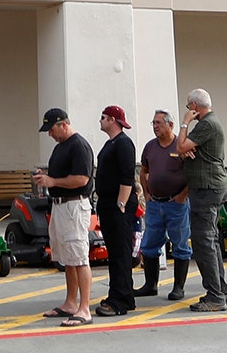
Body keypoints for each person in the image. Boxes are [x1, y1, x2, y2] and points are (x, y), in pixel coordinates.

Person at [33, 108, 95, 327]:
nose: (50, 134)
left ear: (63, 124)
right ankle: (70, 302)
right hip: (61, 206)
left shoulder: (79, 146)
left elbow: (81, 178)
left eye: (51, 130)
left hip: (74, 205)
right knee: (67, 257)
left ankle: (84, 308)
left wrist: (53, 182)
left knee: (79, 256)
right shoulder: (61, 147)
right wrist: (46, 179)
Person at [174, 89, 227, 311]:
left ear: (195, 106)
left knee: (203, 242)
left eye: (189, 108)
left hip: (207, 188)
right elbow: (184, 149)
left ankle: (215, 296)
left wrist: (185, 123)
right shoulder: (209, 125)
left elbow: (180, 146)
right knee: (211, 241)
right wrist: (188, 150)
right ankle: (221, 291)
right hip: (208, 186)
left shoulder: (206, 124)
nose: (188, 111)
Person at [134, 110, 192, 301]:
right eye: (153, 123)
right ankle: (150, 285)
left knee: (180, 245)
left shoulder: (181, 145)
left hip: (176, 204)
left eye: (159, 123)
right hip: (155, 204)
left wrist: (183, 195)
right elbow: (144, 170)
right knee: (149, 244)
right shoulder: (150, 147)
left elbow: (193, 173)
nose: (155, 126)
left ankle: (178, 288)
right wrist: (147, 193)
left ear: (170, 125)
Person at [93, 106, 139, 317]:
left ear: (112, 120)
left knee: (120, 253)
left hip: (117, 206)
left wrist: (121, 204)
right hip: (107, 204)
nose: (100, 121)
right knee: (115, 253)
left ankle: (119, 300)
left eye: (103, 118)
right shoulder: (111, 143)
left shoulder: (123, 143)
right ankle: (124, 295)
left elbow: (127, 175)